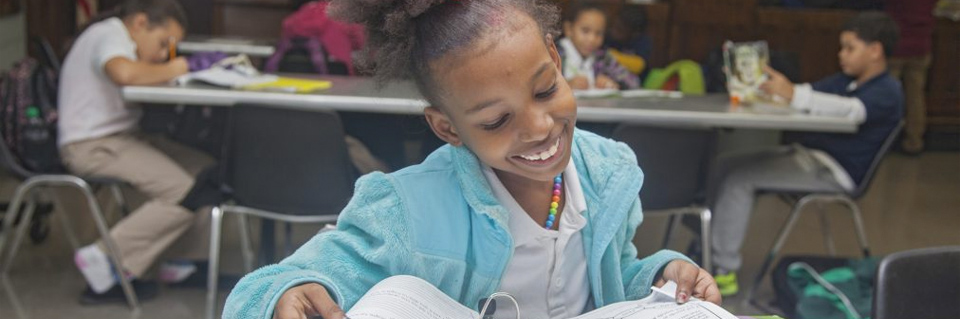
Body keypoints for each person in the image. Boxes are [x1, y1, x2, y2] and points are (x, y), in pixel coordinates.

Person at [223, 1, 720, 319]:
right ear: (446, 127)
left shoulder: (605, 174)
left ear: (555, 55)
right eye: (495, 122)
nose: (539, 127)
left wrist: (662, 276)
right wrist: (288, 293)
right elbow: (263, 290)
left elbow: (617, 273)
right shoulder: (407, 210)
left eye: (546, 90)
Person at [708, 12, 903, 296]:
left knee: (739, 178)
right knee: (724, 164)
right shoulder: (847, 81)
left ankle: (722, 270)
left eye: (850, 47)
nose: (841, 55)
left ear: (875, 51)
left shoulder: (887, 90)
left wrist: (794, 94)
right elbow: (804, 93)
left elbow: (852, 110)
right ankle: (708, 240)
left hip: (834, 172)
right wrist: (763, 86)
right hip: (810, 157)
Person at [58, 0, 225, 303]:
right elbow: (123, 73)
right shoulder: (108, 34)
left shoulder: (119, 35)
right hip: (91, 144)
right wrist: (180, 66)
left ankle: (182, 264)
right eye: (163, 43)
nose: (163, 55)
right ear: (139, 23)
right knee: (181, 190)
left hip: (122, 137)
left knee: (205, 169)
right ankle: (104, 259)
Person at [885, 0, 938, 154]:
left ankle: (885, 138)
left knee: (888, 95)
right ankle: (914, 142)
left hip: (896, 44)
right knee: (916, 96)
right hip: (922, 45)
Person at [557, 2, 640, 90]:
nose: (592, 39)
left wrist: (612, 83)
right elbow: (542, 84)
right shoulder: (555, 53)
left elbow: (634, 82)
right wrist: (566, 85)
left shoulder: (602, 57)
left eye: (598, 33)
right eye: (585, 31)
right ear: (569, 29)